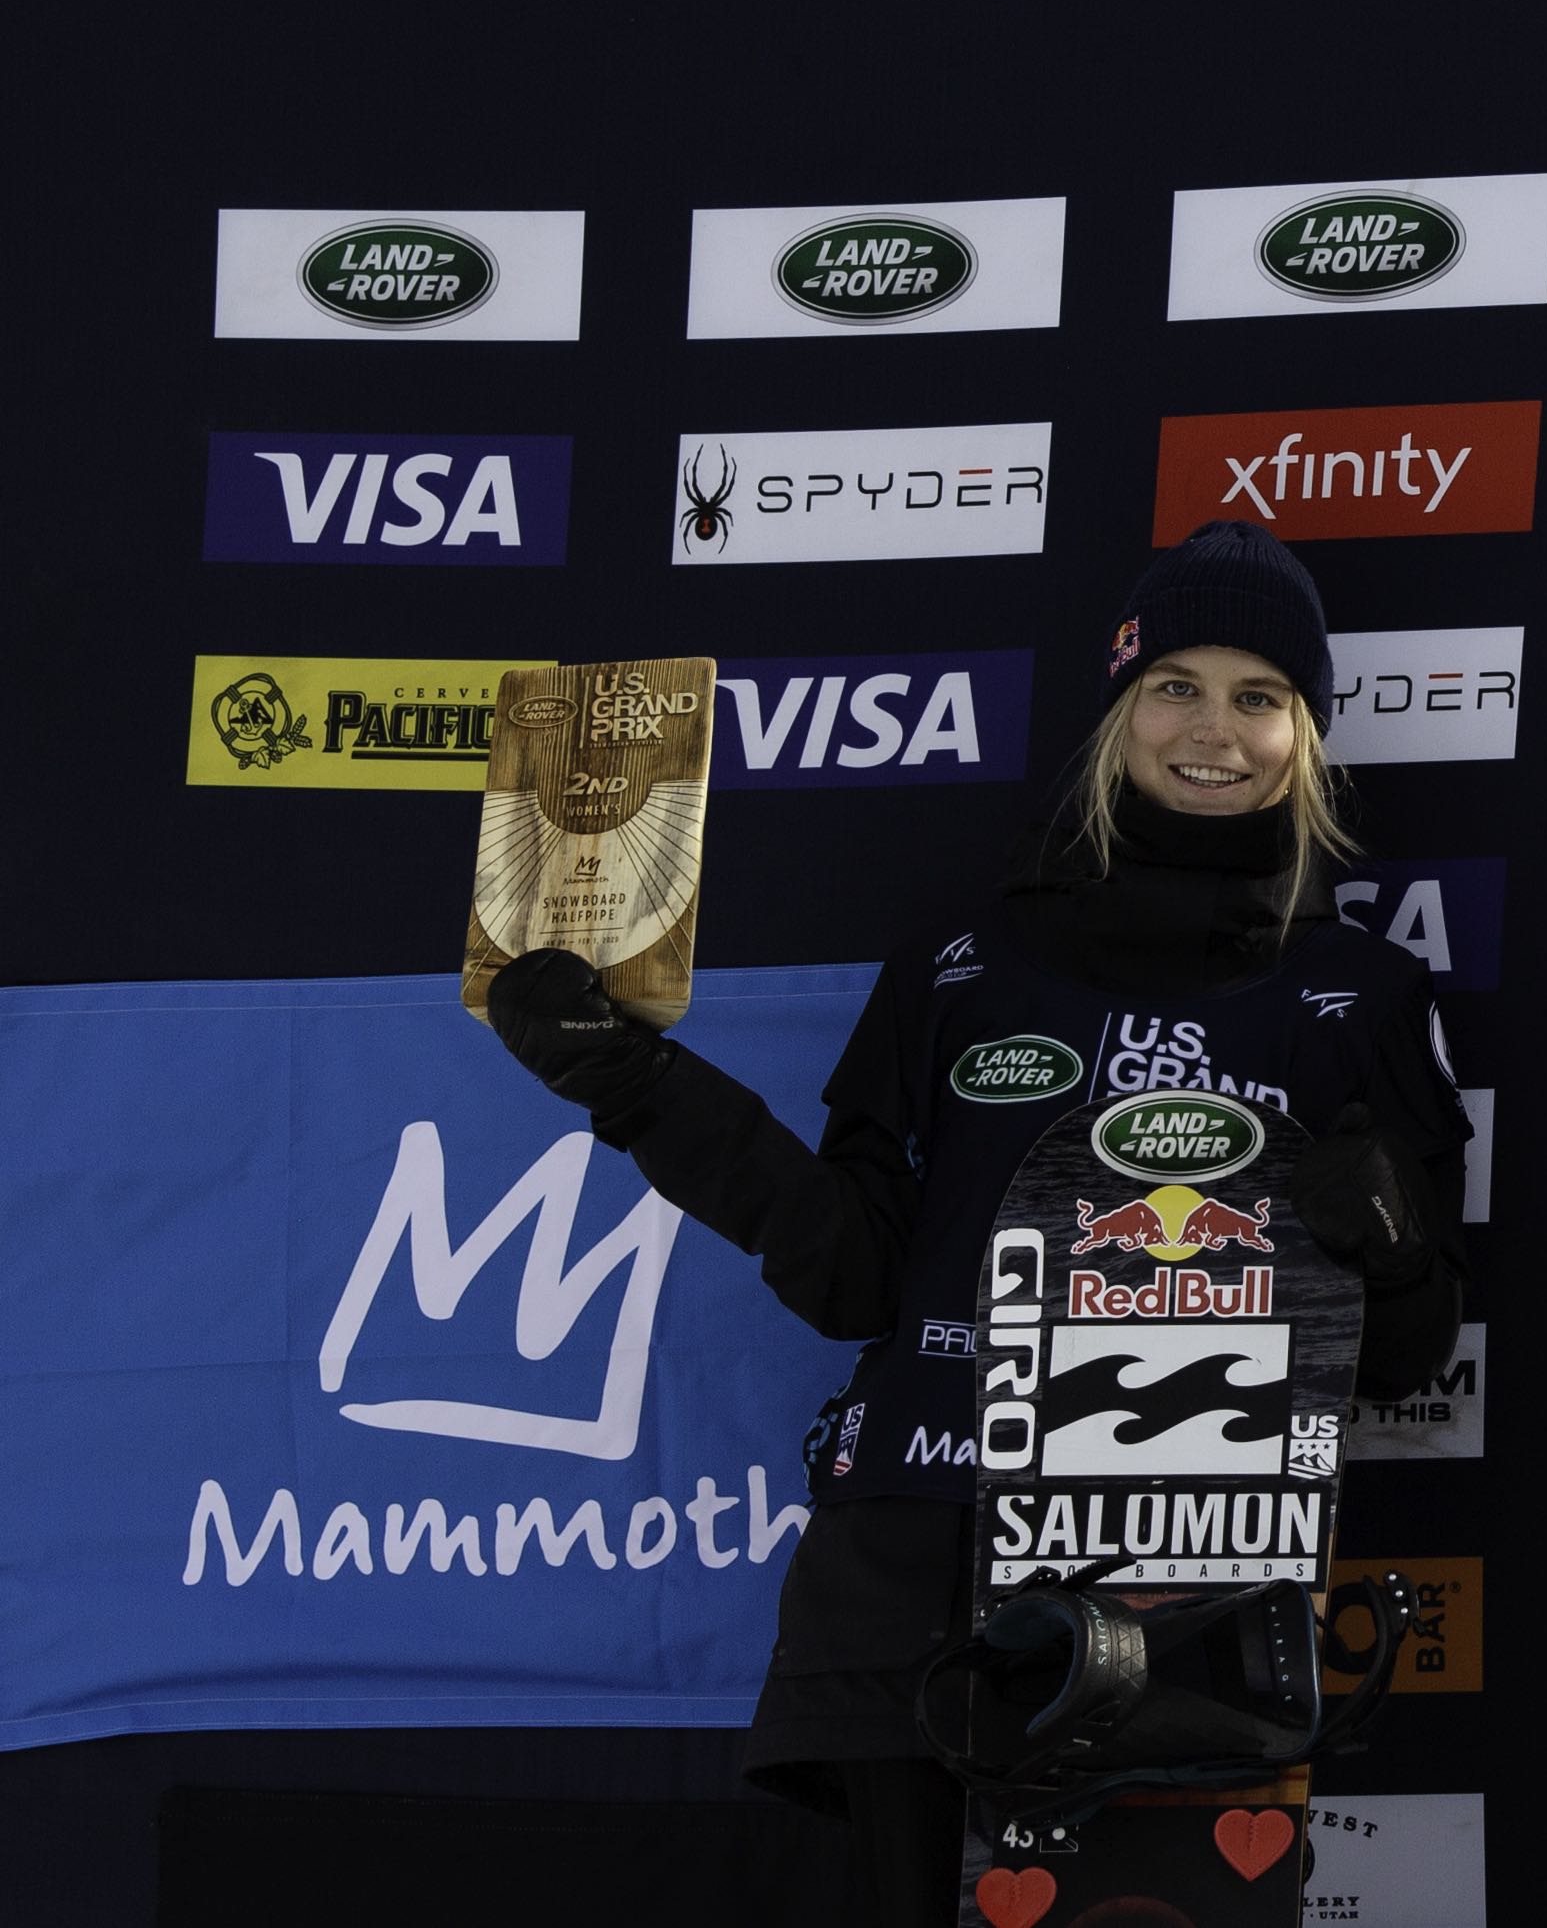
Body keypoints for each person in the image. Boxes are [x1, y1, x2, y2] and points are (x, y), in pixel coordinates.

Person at [480, 520, 1473, 1928]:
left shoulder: (1366, 997)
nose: (1214, 730)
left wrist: (1390, 1244)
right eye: (1176, 685)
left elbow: (1407, 1355)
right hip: (917, 1571)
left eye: (1261, 697)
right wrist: (633, 1082)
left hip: (1186, 1594)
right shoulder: (965, 963)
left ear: (1304, 735)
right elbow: (851, 1272)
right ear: (1120, 707)